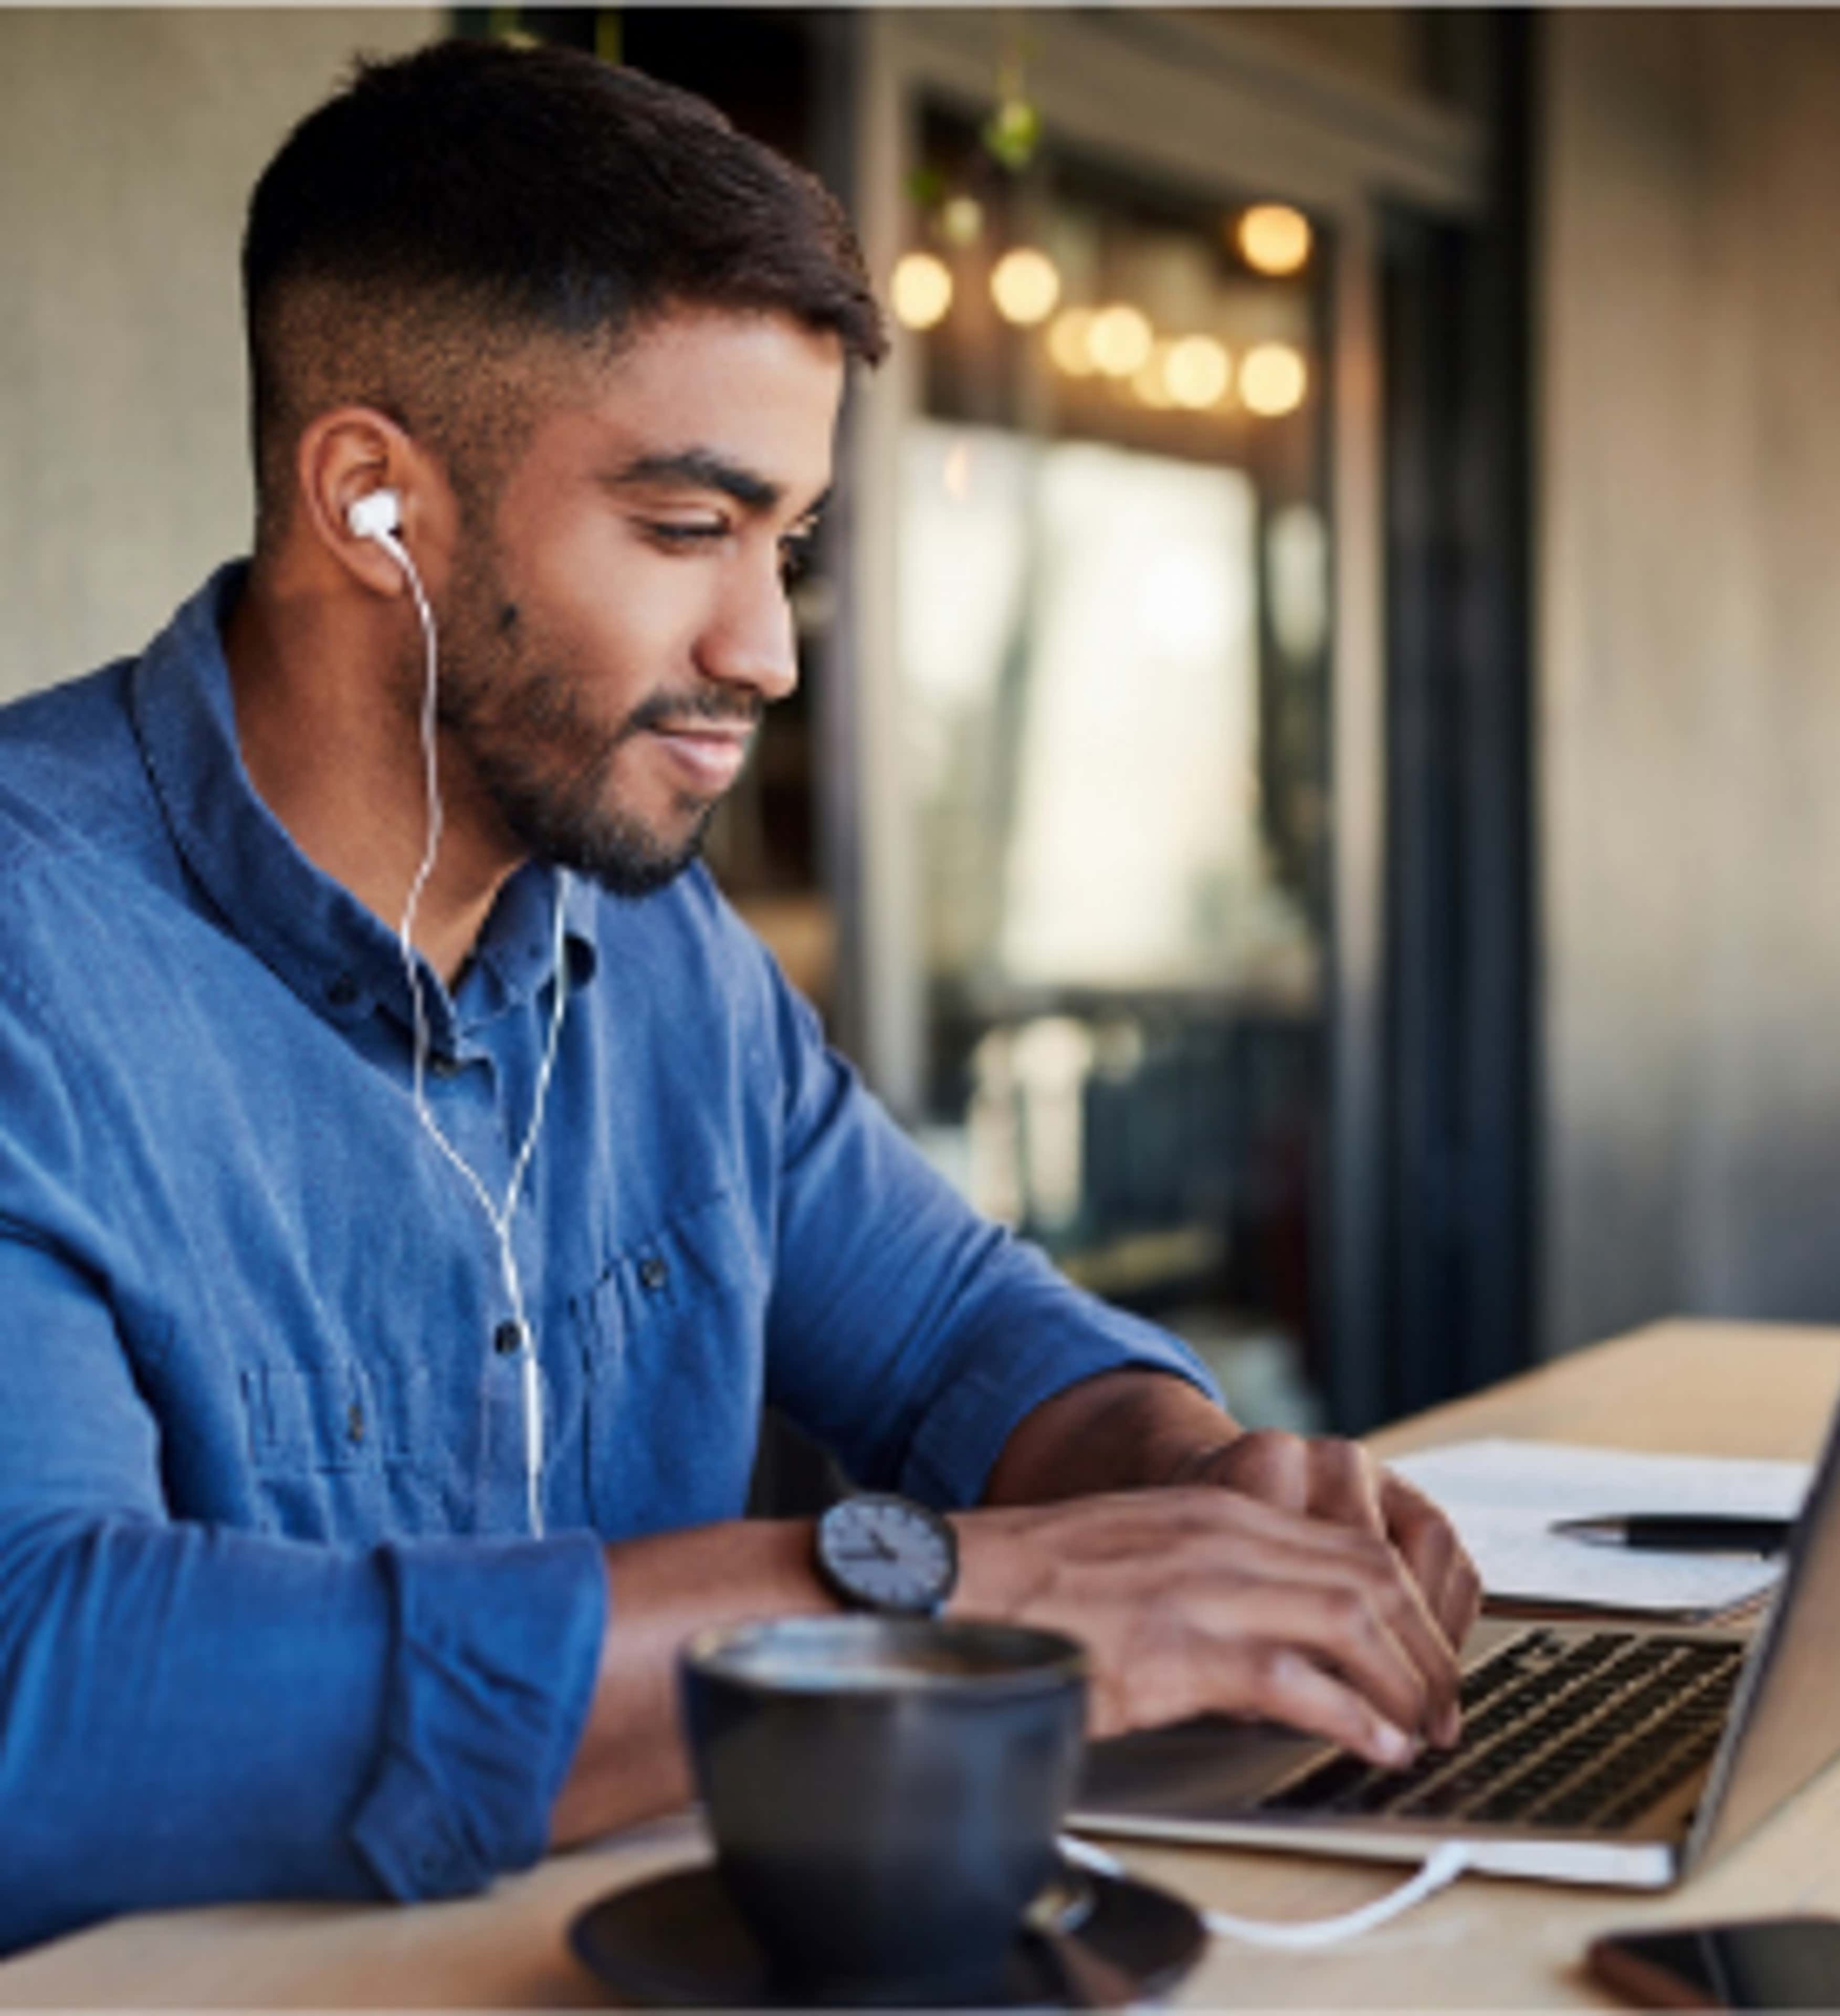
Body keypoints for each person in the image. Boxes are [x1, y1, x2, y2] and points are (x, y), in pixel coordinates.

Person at [0, 38, 1479, 1957]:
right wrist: (915, 1591)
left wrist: (1201, 1498)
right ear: (376, 505)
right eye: (688, 531)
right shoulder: (39, 960)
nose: (768, 650)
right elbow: (47, 1700)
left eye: (786, 546)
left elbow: (960, 1332)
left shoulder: (659, 954)